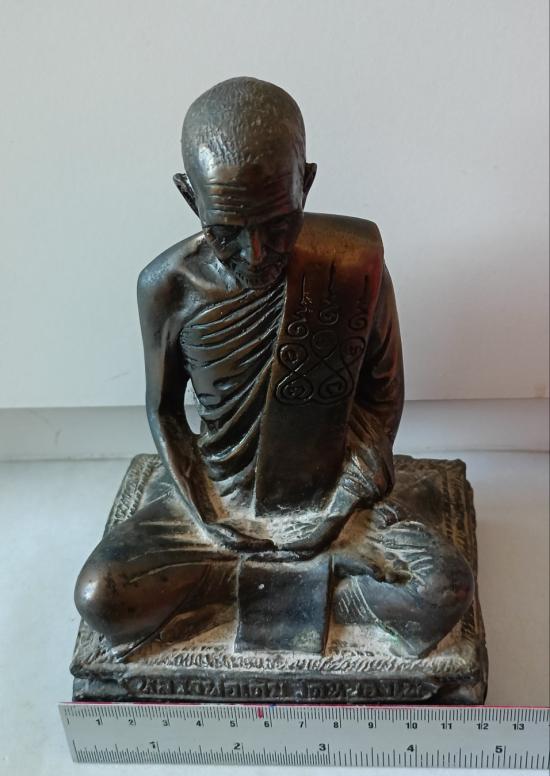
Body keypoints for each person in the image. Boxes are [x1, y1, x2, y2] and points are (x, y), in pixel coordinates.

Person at [75, 78, 473, 655]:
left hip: (336, 502)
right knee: (102, 596)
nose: (255, 254)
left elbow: (381, 402)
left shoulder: (352, 266)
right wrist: (208, 517)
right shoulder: (166, 287)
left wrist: (340, 508)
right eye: (225, 233)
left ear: (304, 183)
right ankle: (311, 582)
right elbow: (164, 413)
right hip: (218, 501)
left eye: (279, 224)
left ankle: (255, 585)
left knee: (443, 589)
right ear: (189, 196)